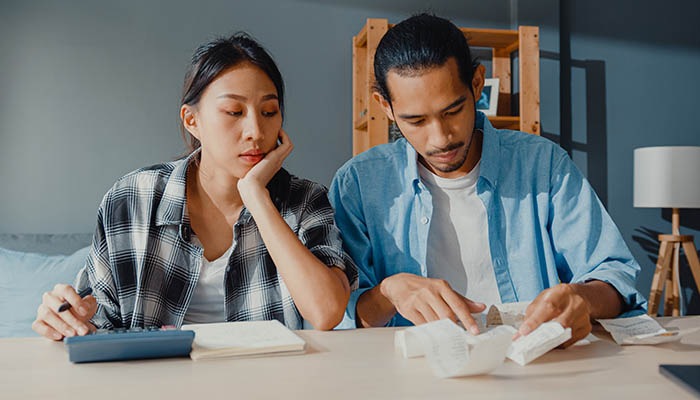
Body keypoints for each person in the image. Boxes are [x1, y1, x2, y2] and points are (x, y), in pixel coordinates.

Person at [329, 14, 645, 345]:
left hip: (537, 371)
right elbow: (339, 316)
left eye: (452, 111)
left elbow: (614, 276)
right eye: (416, 121)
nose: (440, 139)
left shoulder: (543, 165)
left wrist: (583, 299)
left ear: (477, 84)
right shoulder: (359, 184)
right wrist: (389, 293)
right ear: (386, 106)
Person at [33, 33, 357, 341]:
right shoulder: (131, 199)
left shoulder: (305, 200)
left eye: (269, 112)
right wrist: (66, 317)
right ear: (192, 120)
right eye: (234, 112)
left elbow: (326, 311)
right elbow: (96, 319)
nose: (255, 131)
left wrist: (257, 197)